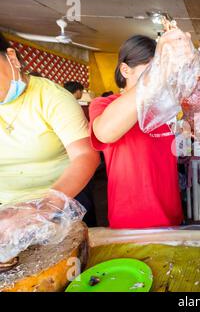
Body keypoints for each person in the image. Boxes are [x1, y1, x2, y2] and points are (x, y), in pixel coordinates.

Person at [89, 35, 183, 229]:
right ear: (125, 70)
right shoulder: (105, 104)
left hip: (171, 217)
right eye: (150, 70)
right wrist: (152, 80)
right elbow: (105, 133)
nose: (158, 78)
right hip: (131, 220)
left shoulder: (163, 108)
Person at [0, 33, 99, 211]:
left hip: (61, 199)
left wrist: (46, 207)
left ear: (12, 58)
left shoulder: (52, 97)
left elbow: (85, 155)